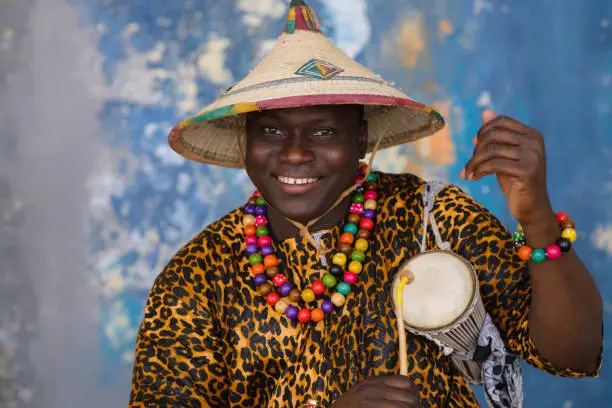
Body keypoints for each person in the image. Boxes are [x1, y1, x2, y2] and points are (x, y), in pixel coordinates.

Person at [129, 1, 603, 407]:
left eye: (323, 132)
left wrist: (536, 217)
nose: (294, 152)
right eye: (272, 131)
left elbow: (572, 355)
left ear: (361, 139)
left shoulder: (431, 218)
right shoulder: (197, 275)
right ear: (245, 141)